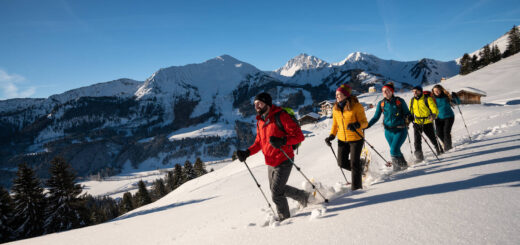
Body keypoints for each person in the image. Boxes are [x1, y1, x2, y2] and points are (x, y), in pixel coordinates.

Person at [236, 92, 310, 221]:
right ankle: (303, 196)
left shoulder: (281, 116)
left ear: (267, 103)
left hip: (284, 159)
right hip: (270, 161)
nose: (257, 106)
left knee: (276, 194)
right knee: (276, 189)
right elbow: (259, 142)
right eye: (255, 104)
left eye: (259, 103)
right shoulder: (260, 121)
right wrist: (247, 152)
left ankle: (284, 219)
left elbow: (299, 136)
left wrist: (283, 141)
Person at [324, 84, 368, 190]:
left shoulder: (356, 106)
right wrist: (331, 136)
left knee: (353, 163)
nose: (337, 97)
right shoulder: (335, 108)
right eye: (336, 95)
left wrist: (357, 125)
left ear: (346, 95)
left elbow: (365, 123)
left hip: (356, 139)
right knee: (341, 163)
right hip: (342, 140)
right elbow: (335, 124)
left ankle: (356, 188)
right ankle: (361, 166)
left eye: (339, 94)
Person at [367, 82, 412, 171]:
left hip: (400, 130)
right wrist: (367, 125)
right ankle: (404, 165)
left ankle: (397, 169)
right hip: (388, 132)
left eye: (387, 91)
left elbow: (407, 113)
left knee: (393, 150)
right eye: (384, 91)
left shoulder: (400, 101)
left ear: (392, 91)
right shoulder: (381, 103)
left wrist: (409, 117)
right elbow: (376, 117)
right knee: (396, 150)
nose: (385, 92)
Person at [409, 85, 442, 162]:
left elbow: (434, 109)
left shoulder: (427, 99)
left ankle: (439, 150)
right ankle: (419, 157)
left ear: (420, 91)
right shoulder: (412, 100)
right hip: (417, 123)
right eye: (413, 91)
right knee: (417, 141)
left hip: (427, 122)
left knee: (432, 138)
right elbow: (411, 111)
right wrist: (409, 117)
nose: (415, 93)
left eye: (416, 91)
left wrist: (433, 115)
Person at [432, 84, 460, 151]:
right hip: (438, 118)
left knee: (446, 132)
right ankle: (446, 143)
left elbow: (457, 102)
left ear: (441, 90)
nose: (436, 92)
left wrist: (456, 97)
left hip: (449, 117)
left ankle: (448, 148)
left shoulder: (446, 96)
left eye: (438, 90)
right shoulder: (432, 99)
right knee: (438, 133)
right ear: (433, 91)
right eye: (435, 91)